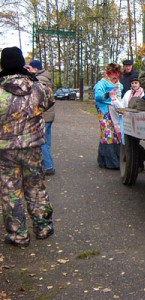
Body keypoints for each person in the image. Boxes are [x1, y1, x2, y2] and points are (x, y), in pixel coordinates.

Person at [0, 47, 55, 247]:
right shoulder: (37, 87)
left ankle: (18, 234)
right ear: (22, 63)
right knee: (35, 186)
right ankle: (43, 227)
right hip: (32, 147)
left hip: (6, 150)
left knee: (11, 191)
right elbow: (49, 102)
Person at [25, 59, 56, 176]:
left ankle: (48, 166)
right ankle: (48, 164)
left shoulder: (40, 79)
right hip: (49, 114)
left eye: (30, 68)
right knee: (46, 142)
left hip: (44, 115)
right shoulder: (45, 77)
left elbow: (36, 97)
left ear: (36, 69)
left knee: (41, 142)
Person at [93, 63, 123, 169]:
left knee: (115, 135)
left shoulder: (119, 84)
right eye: (112, 73)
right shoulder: (101, 83)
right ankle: (112, 162)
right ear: (108, 73)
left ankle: (102, 160)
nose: (114, 76)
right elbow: (98, 96)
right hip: (105, 111)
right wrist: (108, 96)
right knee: (108, 135)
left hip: (116, 111)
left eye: (116, 73)